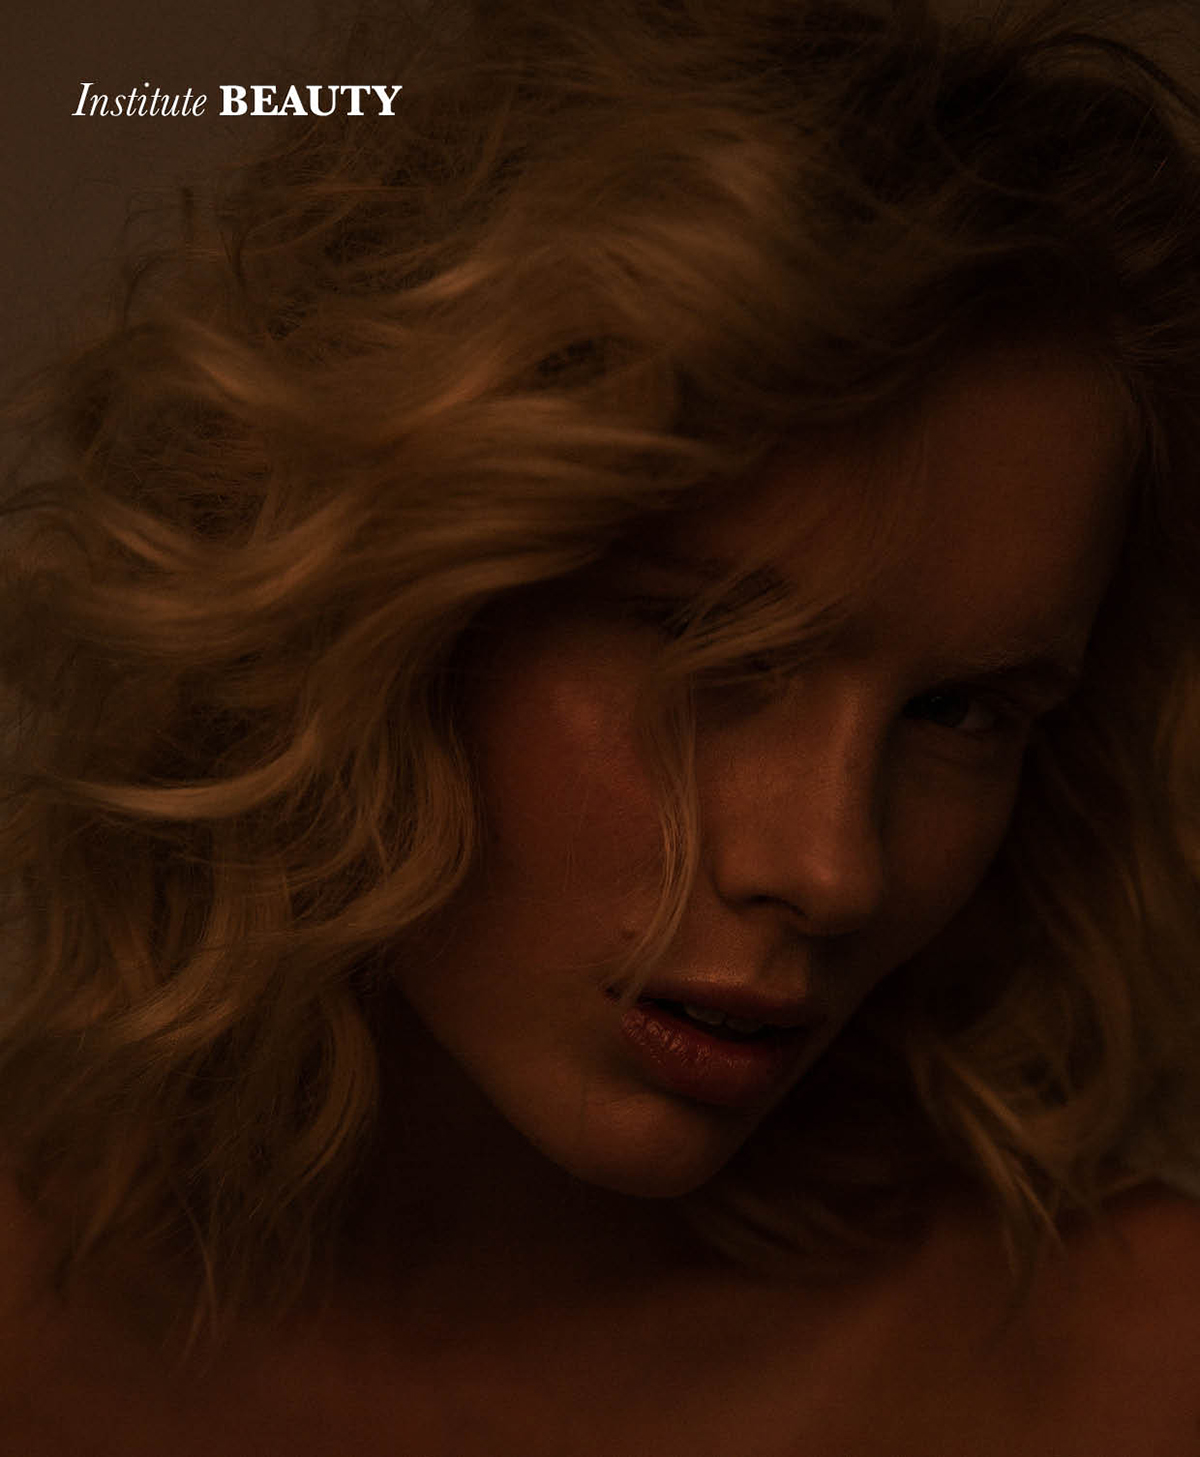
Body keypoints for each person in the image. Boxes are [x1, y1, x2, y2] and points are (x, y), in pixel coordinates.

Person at [1, 0, 1199, 1450]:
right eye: (718, 647)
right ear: (368, 613)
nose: (835, 870)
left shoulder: (1136, 1369)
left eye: (963, 711)